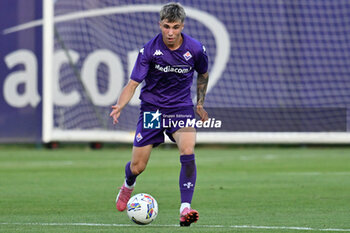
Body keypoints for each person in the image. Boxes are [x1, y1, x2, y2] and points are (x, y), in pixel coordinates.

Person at [109, 2, 209, 227]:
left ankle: (185, 209)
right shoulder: (149, 51)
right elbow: (133, 83)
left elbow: (203, 75)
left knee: (188, 149)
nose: (171, 32)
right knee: (138, 166)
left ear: (182, 26)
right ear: (160, 25)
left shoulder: (195, 50)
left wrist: (200, 104)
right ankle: (128, 184)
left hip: (180, 109)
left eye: (175, 27)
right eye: (166, 27)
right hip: (152, 110)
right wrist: (120, 105)